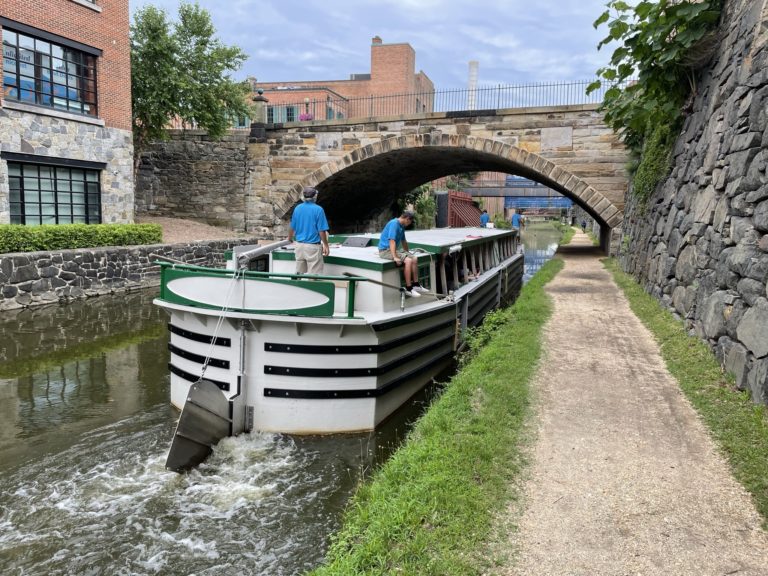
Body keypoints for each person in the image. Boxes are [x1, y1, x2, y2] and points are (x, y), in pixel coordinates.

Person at [378, 210, 428, 297]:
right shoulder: (394, 224)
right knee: (408, 261)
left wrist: (407, 252)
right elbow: (392, 241)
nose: (410, 224)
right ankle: (409, 288)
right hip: (385, 251)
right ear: (407, 219)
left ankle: (416, 285)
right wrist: (395, 257)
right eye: (411, 221)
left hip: (393, 249)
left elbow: (404, 241)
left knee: (414, 258)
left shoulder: (401, 226)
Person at [288, 186, 330, 274]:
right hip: (313, 247)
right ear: (315, 196)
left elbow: (292, 226)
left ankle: (298, 287)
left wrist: (289, 238)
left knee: (299, 274)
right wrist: (326, 245)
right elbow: (321, 231)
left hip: (299, 246)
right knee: (314, 276)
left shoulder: (297, 208)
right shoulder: (318, 209)